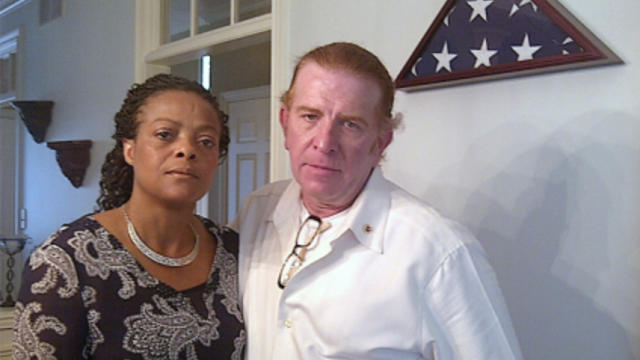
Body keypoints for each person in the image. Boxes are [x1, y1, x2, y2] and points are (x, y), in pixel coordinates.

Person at [232, 42, 522, 359]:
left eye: (350, 124)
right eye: (310, 116)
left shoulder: (438, 253)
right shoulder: (256, 212)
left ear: (381, 142)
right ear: (286, 123)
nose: (324, 142)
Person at [13, 74, 245, 359]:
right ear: (130, 149)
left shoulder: (234, 253)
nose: (187, 150)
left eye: (206, 141)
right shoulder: (67, 262)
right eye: (164, 135)